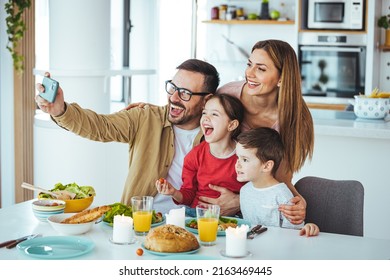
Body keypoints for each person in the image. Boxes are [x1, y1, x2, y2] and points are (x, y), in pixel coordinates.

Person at [35, 59, 228, 214]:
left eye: (185, 93)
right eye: (172, 88)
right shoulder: (145, 117)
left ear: (207, 100)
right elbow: (99, 126)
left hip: (198, 225)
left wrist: (238, 200)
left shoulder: (222, 131)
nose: (174, 98)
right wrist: (60, 110)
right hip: (141, 222)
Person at [209, 39, 314, 223]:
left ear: (282, 78)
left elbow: (279, 176)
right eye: (249, 64)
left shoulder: (296, 118)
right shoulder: (228, 95)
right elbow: (200, 130)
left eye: (261, 69)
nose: (249, 73)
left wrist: (299, 201)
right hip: (214, 201)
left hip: (256, 207)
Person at [156, 94, 245, 215]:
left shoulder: (245, 155)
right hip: (196, 214)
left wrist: (240, 201)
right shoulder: (194, 156)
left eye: (214, 114)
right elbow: (188, 195)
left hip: (234, 216)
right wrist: (174, 192)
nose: (206, 118)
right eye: (204, 113)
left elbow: (256, 188)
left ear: (232, 125)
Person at [236, 127, 319, 237]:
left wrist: (309, 228)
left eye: (245, 160)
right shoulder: (245, 190)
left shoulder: (281, 195)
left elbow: (295, 235)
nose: (237, 165)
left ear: (266, 166)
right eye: (237, 157)